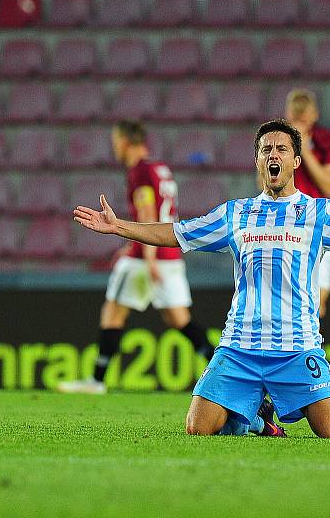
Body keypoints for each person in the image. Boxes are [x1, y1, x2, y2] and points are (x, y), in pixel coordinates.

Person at [71, 119, 330, 438]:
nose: (272, 154)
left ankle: (311, 416)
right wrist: (120, 227)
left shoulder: (319, 214)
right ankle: (257, 421)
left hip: (297, 347)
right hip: (239, 346)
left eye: (281, 148)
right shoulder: (236, 214)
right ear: (258, 162)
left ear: (296, 161)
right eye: (266, 150)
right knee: (197, 426)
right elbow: (176, 233)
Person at [57, 119, 215, 395]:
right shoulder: (159, 168)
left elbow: (147, 214)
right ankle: (223, 372)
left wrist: (148, 256)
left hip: (147, 257)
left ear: (127, 141)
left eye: (116, 141)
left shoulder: (140, 171)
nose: (114, 147)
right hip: (171, 253)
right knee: (180, 320)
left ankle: (96, 380)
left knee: (113, 313)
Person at [284, 89, 330, 320]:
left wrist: (305, 151)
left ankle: (308, 349)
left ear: (314, 116)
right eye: (295, 120)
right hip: (286, 223)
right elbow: (264, 181)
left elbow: (329, 186)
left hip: (318, 223)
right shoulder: (279, 142)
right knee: (286, 296)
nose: (300, 125)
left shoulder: (325, 140)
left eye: (303, 120)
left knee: (317, 301)